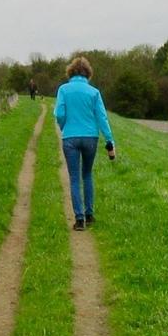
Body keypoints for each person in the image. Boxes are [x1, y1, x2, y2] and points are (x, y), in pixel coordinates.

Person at [54, 56, 115, 230]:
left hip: (70, 138)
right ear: (88, 74)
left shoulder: (63, 90)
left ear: (70, 73)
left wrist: (64, 125)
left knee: (74, 178)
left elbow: (59, 114)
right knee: (87, 175)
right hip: (90, 138)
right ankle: (89, 214)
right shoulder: (94, 92)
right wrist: (109, 139)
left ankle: (79, 219)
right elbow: (101, 117)